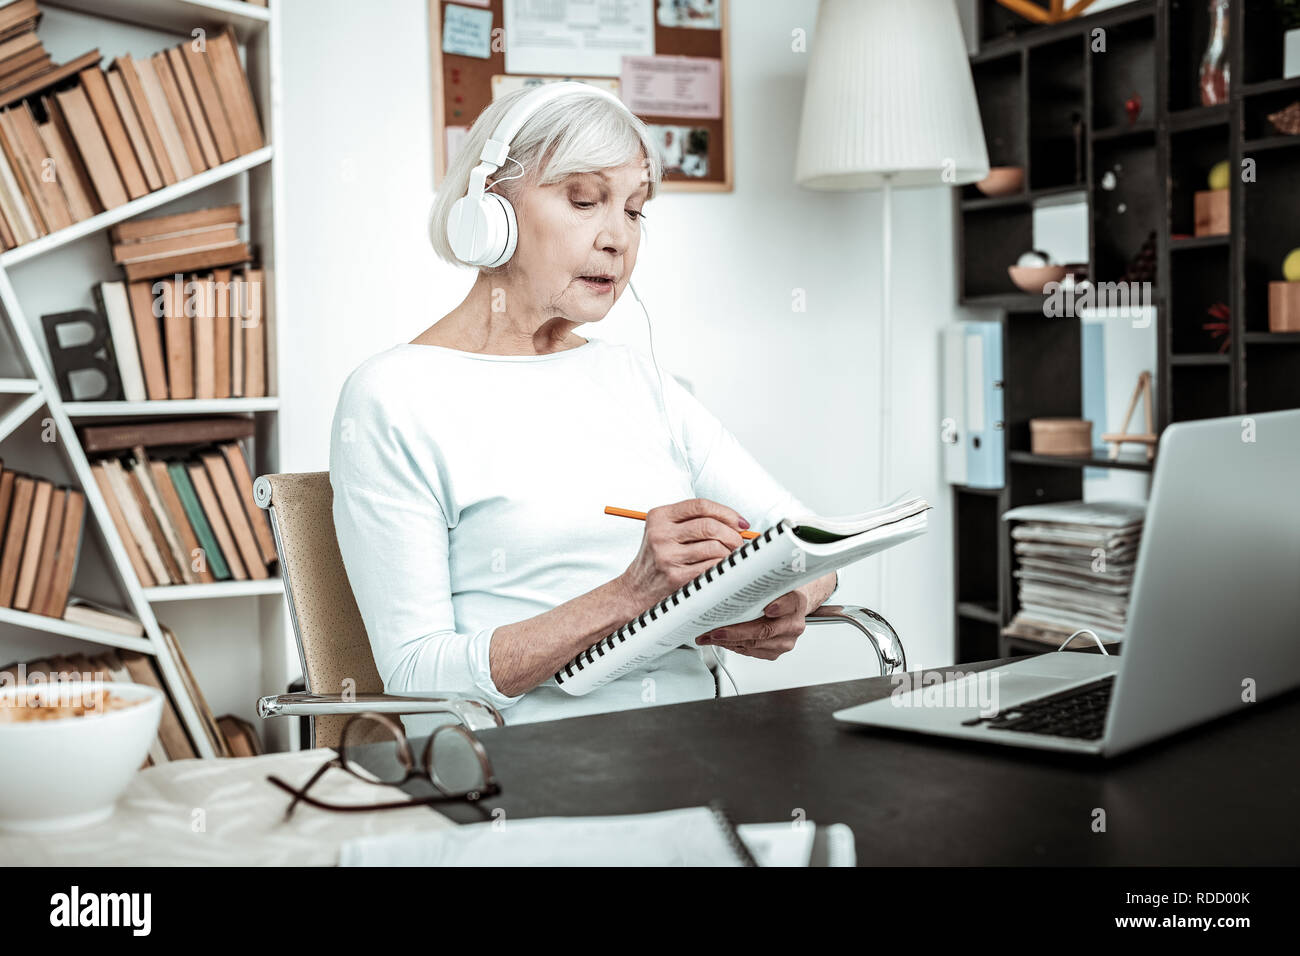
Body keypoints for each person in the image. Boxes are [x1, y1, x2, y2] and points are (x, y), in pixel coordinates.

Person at [328, 84, 838, 733]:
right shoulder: (393, 396)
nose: (618, 239)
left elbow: (809, 542)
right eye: (584, 201)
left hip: (694, 740)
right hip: (522, 762)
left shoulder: (636, 377)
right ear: (490, 211)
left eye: (634, 210)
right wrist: (632, 595)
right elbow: (416, 673)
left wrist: (786, 600)